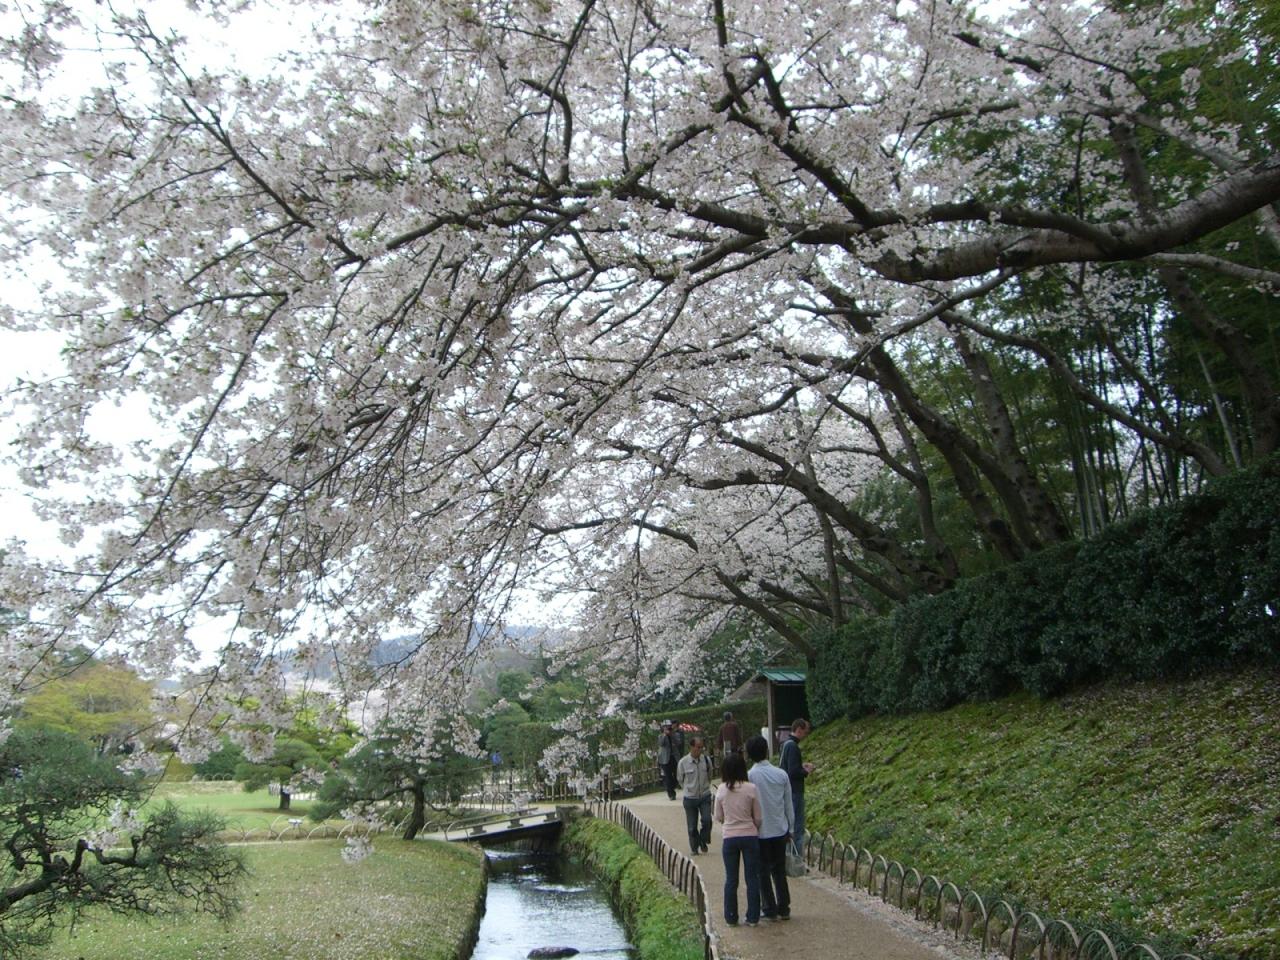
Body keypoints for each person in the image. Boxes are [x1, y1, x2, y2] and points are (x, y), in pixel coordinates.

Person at [746, 733, 793, 921]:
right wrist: (791, 828)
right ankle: (784, 907)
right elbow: (788, 804)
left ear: (749, 754)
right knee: (779, 870)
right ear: (766, 750)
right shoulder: (781, 774)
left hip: (759, 831)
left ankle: (769, 908)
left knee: (762, 871)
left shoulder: (749, 776)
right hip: (780, 828)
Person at [713, 752, 762, 927]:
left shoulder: (721, 789)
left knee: (731, 879)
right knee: (752, 877)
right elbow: (758, 817)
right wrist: (752, 825)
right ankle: (753, 917)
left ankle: (731, 916)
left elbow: (718, 816)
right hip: (749, 835)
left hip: (730, 837)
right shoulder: (751, 788)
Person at [779, 718, 814, 856]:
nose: (805, 735)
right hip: (795, 790)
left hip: (787, 790)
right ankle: (796, 857)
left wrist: (801, 766)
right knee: (797, 825)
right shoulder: (793, 746)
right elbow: (793, 772)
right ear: (799, 730)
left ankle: (789, 854)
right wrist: (806, 771)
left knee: (789, 824)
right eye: (805, 732)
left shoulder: (785, 744)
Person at [676, 735, 714, 854]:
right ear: (691, 747)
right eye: (698, 747)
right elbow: (680, 779)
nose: (700, 750)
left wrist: (705, 787)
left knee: (707, 820)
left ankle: (703, 839)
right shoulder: (683, 762)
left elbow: (710, 775)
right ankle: (694, 847)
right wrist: (688, 789)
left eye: (702, 747)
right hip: (690, 798)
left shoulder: (706, 760)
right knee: (692, 827)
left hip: (704, 795)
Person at [656, 720, 682, 800]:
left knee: (677, 775)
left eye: (669, 727)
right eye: (666, 727)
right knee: (668, 776)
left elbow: (678, 743)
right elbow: (661, 743)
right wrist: (665, 734)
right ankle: (671, 794)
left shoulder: (675, 734)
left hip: (674, 757)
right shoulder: (660, 736)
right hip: (664, 759)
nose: (668, 728)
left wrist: (672, 735)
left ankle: (671, 787)